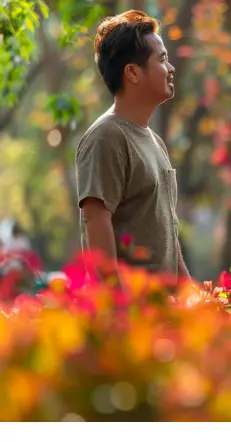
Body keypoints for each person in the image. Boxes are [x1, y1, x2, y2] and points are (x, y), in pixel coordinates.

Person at [75, 10, 191, 283]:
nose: (171, 68)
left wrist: (190, 295)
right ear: (133, 72)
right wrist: (118, 310)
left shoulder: (154, 141)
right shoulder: (106, 137)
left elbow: (167, 234)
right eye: (162, 59)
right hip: (133, 318)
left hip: (164, 316)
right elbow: (96, 223)